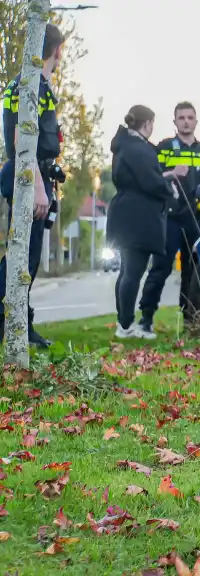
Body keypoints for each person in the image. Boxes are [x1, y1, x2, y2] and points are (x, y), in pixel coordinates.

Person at [0, 23, 67, 349]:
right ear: (57, 50)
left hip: (27, 173)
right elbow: (21, 139)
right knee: (22, 259)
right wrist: (38, 186)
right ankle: (11, 326)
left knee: (25, 257)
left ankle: (22, 326)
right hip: (28, 176)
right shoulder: (33, 86)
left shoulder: (26, 84)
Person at [105, 105, 188, 339]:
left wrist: (167, 175)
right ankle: (126, 325)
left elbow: (141, 177)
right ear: (147, 123)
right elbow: (150, 182)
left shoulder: (125, 145)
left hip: (124, 212)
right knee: (133, 271)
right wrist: (169, 190)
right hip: (138, 216)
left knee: (126, 271)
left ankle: (124, 322)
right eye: (152, 123)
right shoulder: (139, 149)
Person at [139, 101, 200, 332]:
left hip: (198, 219)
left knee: (195, 272)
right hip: (170, 218)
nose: (186, 122)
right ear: (174, 122)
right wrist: (171, 173)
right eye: (181, 118)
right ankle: (146, 318)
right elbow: (151, 176)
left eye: (190, 118)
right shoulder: (163, 148)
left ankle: (192, 320)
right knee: (161, 268)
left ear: (196, 121)